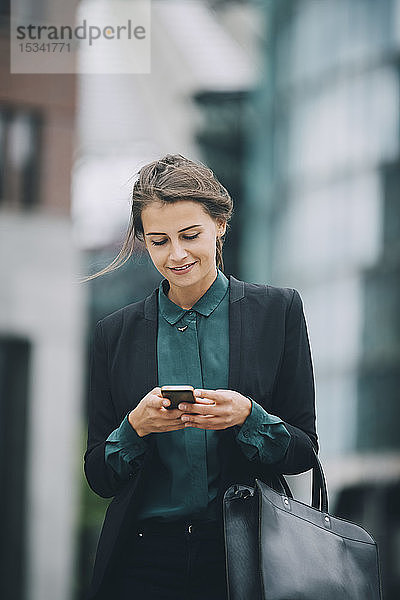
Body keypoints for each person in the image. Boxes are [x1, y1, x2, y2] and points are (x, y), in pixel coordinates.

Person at [83, 154, 318, 600]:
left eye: (190, 235)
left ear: (220, 223)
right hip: (142, 562)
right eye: (158, 241)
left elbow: (303, 449)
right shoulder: (113, 334)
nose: (176, 254)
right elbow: (98, 474)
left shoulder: (278, 312)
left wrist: (249, 416)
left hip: (243, 556)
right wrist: (135, 428)